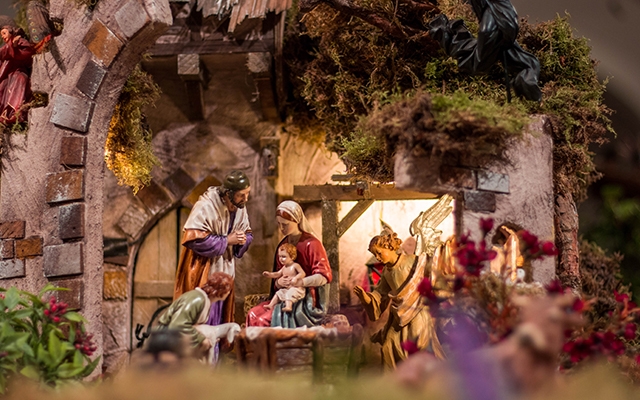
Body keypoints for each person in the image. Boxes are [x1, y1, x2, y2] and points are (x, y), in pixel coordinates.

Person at [353, 230, 445, 370]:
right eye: (374, 254)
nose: (377, 257)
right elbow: (380, 294)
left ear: (389, 247)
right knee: (387, 346)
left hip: (416, 312)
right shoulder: (386, 271)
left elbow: (430, 273)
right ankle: (395, 380)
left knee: (419, 347)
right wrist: (366, 298)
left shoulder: (412, 261)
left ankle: (426, 377)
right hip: (398, 316)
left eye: (379, 253)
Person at [173, 170, 252, 326]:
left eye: (247, 194)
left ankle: (216, 340)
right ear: (229, 193)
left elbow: (248, 232)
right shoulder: (206, 206)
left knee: (221, 312)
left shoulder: (240, 207)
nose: (246, 199)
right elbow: (194, 239)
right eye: (241, 195)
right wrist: (227, 240)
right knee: (204, 313)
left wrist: (243, 240)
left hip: (225, 268)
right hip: (203, 268)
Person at [246, 200, 332, 328]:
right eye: (279, 224)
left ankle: (271, 341)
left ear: (297, 221)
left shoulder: (312, 244)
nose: (281, 228)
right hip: (283, 294)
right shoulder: (283, 245)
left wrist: (301, 282)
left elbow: (324, 276)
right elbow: (279, 276)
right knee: (252, 314)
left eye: (285, 224)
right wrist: (278, 282)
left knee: (263, 320)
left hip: (304, 299)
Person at [158, 272, 233, 357]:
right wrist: (201, 339)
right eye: (229, 289)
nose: (229, 293)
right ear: (222, 290)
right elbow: (177, 325)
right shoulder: (197, 300)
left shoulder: (205, 301)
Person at [0, 25, 35, 125]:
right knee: (2, 86)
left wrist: (15, 47)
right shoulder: (7, 46)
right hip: (8, 75)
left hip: (19, 71)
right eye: (1, 35)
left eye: (4, 33)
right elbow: (2, 53)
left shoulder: (21, 42)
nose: (3, 36)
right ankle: (4, 112)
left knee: (20, 79)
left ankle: (15, 113)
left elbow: (27, 53)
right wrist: (12, 46)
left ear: (11, 32)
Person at [263, 243, 306, 313]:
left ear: (292, 257)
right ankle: (271, 305)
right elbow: (277, 274)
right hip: (287, 289)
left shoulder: (295, 265)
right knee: (278, 293)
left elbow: (302, 273)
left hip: (297, 289)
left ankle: (288, 306)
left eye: (283, 256)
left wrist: (295, 278)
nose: (281, 259)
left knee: (289, 293)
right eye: (279, 256)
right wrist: (270, 274)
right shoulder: (284, 267)